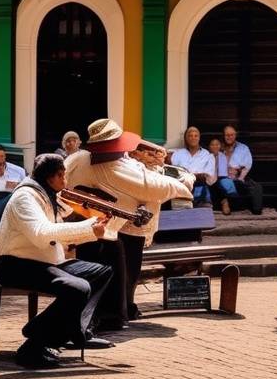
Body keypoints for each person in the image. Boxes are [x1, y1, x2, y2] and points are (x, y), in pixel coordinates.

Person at [66, 118, 193, 323]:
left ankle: (98, 315)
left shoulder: (78, 159)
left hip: (85, 227)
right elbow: (157, 187)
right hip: (120, 228)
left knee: (94, 272)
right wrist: (186, 179)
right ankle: (112, 315)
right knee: (123, 272)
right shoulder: (118, 169)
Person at [0, 153, 113, 369]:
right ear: (49, 177)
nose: (65, 180)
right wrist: (88, 229)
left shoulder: (48, 194)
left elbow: (65, 221)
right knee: (78, 287)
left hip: (45, 262)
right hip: (17, 265)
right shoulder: (25, 198)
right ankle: (35, 342)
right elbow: (42, 233)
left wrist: (96, 215)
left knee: (101, 272)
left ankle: (74, 331)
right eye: (61, 175)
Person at [212, 125, 262, 215]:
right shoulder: (218, 147)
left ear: (235, 135)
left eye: (231, 135)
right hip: (220, 178)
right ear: (223, 136)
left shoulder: (243, 148)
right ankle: (226, 202)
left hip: (238, 178)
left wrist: (239, 173)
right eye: (227, 135)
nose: (229, 137)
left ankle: (255, 209)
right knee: (220, 184)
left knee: (256, 187)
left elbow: (247, 165)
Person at [170, 127, 217, 206]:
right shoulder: (177, 154)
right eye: (190, 135)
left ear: (199, 138)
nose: (193, 138)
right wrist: (195, 175)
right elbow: (175, 173)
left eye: (196, 135)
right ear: (186, 138)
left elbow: (209, 177)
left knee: (203, 212)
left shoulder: (207, 155)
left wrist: (189, 174)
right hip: (182, 187)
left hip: (200, 187)